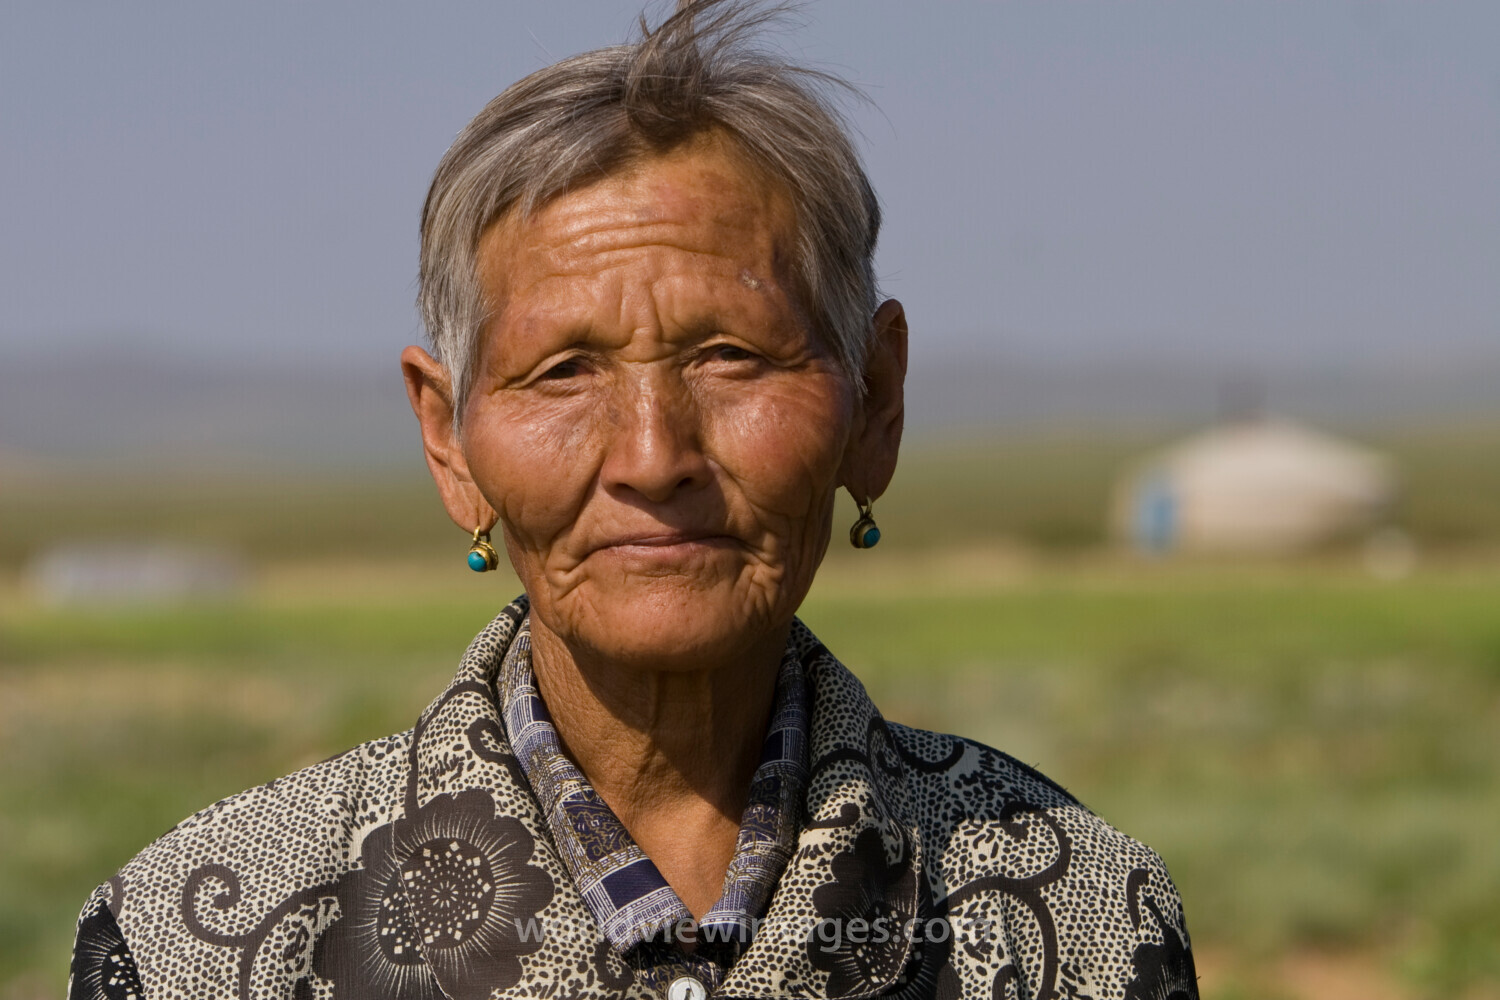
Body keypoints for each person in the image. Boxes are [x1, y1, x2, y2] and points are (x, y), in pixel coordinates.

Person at [68, 3, 1199, 998]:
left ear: (876, 400)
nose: (654, 458)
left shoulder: (1079, 918)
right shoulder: (196, 949)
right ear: (448, 442)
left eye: (732, 355)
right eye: (563, 371)